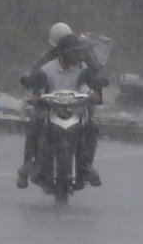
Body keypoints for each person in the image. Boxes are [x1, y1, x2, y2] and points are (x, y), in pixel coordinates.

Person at [21, 27, 106, 184]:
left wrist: (92, 95)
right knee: (34, 126)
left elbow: (87, 86)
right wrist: (35, 97)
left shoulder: (84, 69)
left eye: (78, 52)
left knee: (91, 129)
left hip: (76, 110)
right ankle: (26, 167)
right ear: (62, 53)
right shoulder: (46, 69)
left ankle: (87, 164)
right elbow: (37, 86)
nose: (78, 56)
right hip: (50, 109)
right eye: (74, 53)